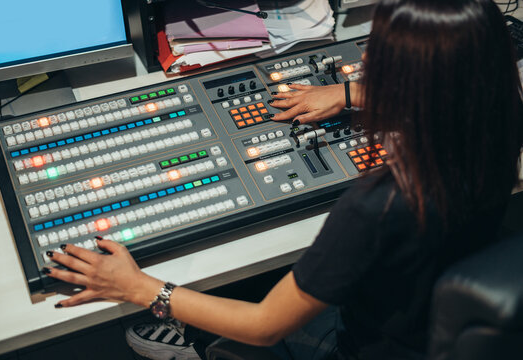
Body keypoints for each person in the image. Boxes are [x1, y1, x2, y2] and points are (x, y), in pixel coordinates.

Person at [43, 0, 523, 359]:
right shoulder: (504, 115)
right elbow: (448, 91)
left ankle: (191, 344)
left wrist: (140, 289)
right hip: (426, 309)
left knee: (239, 299)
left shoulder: (376, 207)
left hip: (363, 343)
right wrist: (348, 92)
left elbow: (264, 325)